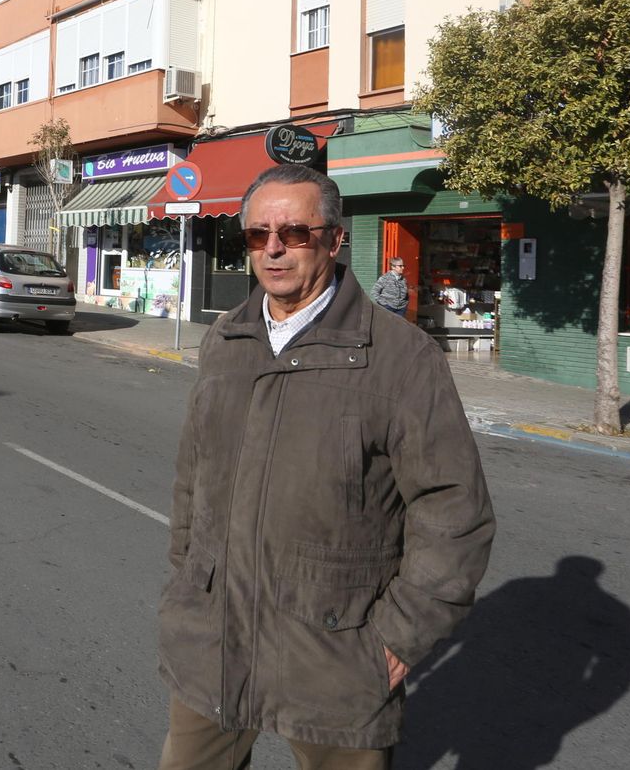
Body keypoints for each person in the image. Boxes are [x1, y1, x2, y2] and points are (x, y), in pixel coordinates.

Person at [157, 164, 494, 770]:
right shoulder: (225, 341)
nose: (274, 248)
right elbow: (193, 476)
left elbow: (453, 509)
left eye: (295, 232)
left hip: (335, 654)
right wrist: (187, 580)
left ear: (336, 240)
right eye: (257, 234)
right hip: (214, 645)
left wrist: (399, 638)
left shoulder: (400, 357)